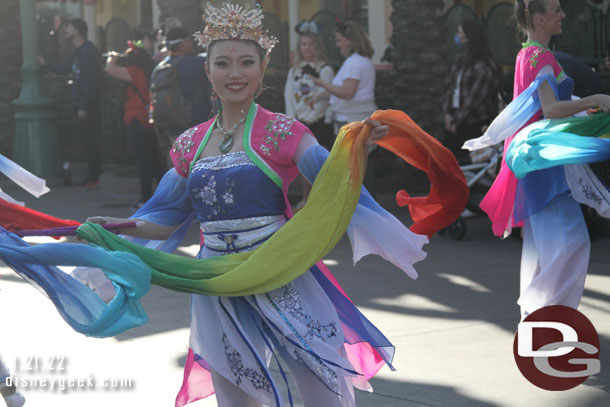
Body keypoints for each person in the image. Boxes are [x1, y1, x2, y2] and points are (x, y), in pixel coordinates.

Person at [82, 4, 432, 406]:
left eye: (246, 62)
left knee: (320, 386)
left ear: (262, 68)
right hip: (215, 280)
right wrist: (120, 226)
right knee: (235, 395)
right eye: (224, 63)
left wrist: (356, 150)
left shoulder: (284, 132)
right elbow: (165, 219)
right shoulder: (190, 144)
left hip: (278, 269)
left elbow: (330, 178)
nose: (235, 74)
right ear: (208, 70)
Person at [466, 0, 610, 318]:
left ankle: (539, 322)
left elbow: (546, 106)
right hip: (543, 162)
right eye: (557, 10)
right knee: (570, 243)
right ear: (540, 18)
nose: (563, 15)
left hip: (536, 157)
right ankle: (549, 320)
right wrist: (595, 99)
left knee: (544, 248)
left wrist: (582, 108)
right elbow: (550, 110)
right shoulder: (540, 55)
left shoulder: (525, 53)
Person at [312, 20, 377, 191]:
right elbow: (341, 90)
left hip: (352, 121)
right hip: (357, 119)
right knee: (360, 165)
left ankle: (358, 205)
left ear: (350, 40)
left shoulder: (354, 63)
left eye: (340, 39)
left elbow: (348, 92)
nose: (338, 44)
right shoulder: (360, 61)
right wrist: (320, 97)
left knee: (356, 168)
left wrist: (321, 84)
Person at [39, 18, 102, 189]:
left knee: (90, 141)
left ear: (78, 30)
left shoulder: (87, 52)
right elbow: (65, 68)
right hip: (80, 104)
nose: (65, 29)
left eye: (69, 27)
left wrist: (84, 106)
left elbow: (91, 82)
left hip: (85, 106)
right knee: (86, 141)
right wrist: (46, 65)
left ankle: (94, 176)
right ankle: (92, 175)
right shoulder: (79, 52)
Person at [106, 41, 165, 209]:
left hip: (137, 120)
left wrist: (112, 58)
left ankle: (145, 199)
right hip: (149, 121)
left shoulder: (136, 72)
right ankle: (165, 198)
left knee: (144, 164)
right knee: (154, 162)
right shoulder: (149, 70)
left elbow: (111, 70)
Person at [284, 20, 334, 209]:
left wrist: (315, 116)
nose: (307, 48)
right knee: (304, 167)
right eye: (303, 44)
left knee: (321, 166)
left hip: (319, 123)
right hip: (301, 124)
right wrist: (293, 121)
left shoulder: (325, 69)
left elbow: (327, 97)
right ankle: (307, 200)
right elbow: (289, 96)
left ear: (318, 46)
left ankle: (323, 203)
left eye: (310, 44)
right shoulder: (294, 70)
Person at [151, 27, 211, 169]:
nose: (192, 43)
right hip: (196, 127)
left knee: (176, 172)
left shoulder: (158, 68)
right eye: (189, 40)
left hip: (169, 129)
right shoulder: (196, 64)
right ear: (183, 43)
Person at [442, 20, 499, 163]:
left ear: (468, 36)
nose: (457, 35)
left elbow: (473, 100)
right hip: (455, 122)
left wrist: (456, 120)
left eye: (460, 32)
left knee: (470, 168)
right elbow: (451, 87)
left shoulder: (484, 64)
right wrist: (447, 114)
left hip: (474, 124)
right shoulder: (460, 58)